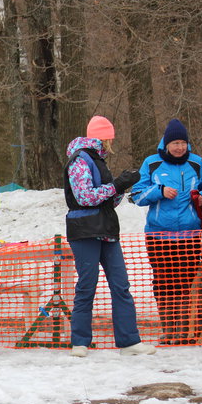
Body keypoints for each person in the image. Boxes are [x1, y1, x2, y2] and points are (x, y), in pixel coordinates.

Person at [64, 116, 156, 357]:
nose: (111, 143)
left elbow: (107, 200)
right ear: (103, 138)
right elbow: (85, 197)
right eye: (110, 138)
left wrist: (121, 187)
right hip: (85, 230)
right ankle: (80, 341)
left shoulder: (99, 160)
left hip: (106, 229)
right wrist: (116, 185)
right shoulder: (80, 160)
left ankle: (129, 341)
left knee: (121, 285)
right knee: (87, 285)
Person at [131, 119, 202, 345]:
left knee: (186, 282)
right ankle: (168, 329)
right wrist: (159, 191)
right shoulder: (152, 163)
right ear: (166, 143)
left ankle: (183, 331)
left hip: (190, 235)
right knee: (163, 282)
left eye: (183, 143)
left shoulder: (197, 163)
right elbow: (137, 195)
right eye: (175, 143)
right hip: (159, 235)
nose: (179, 147)